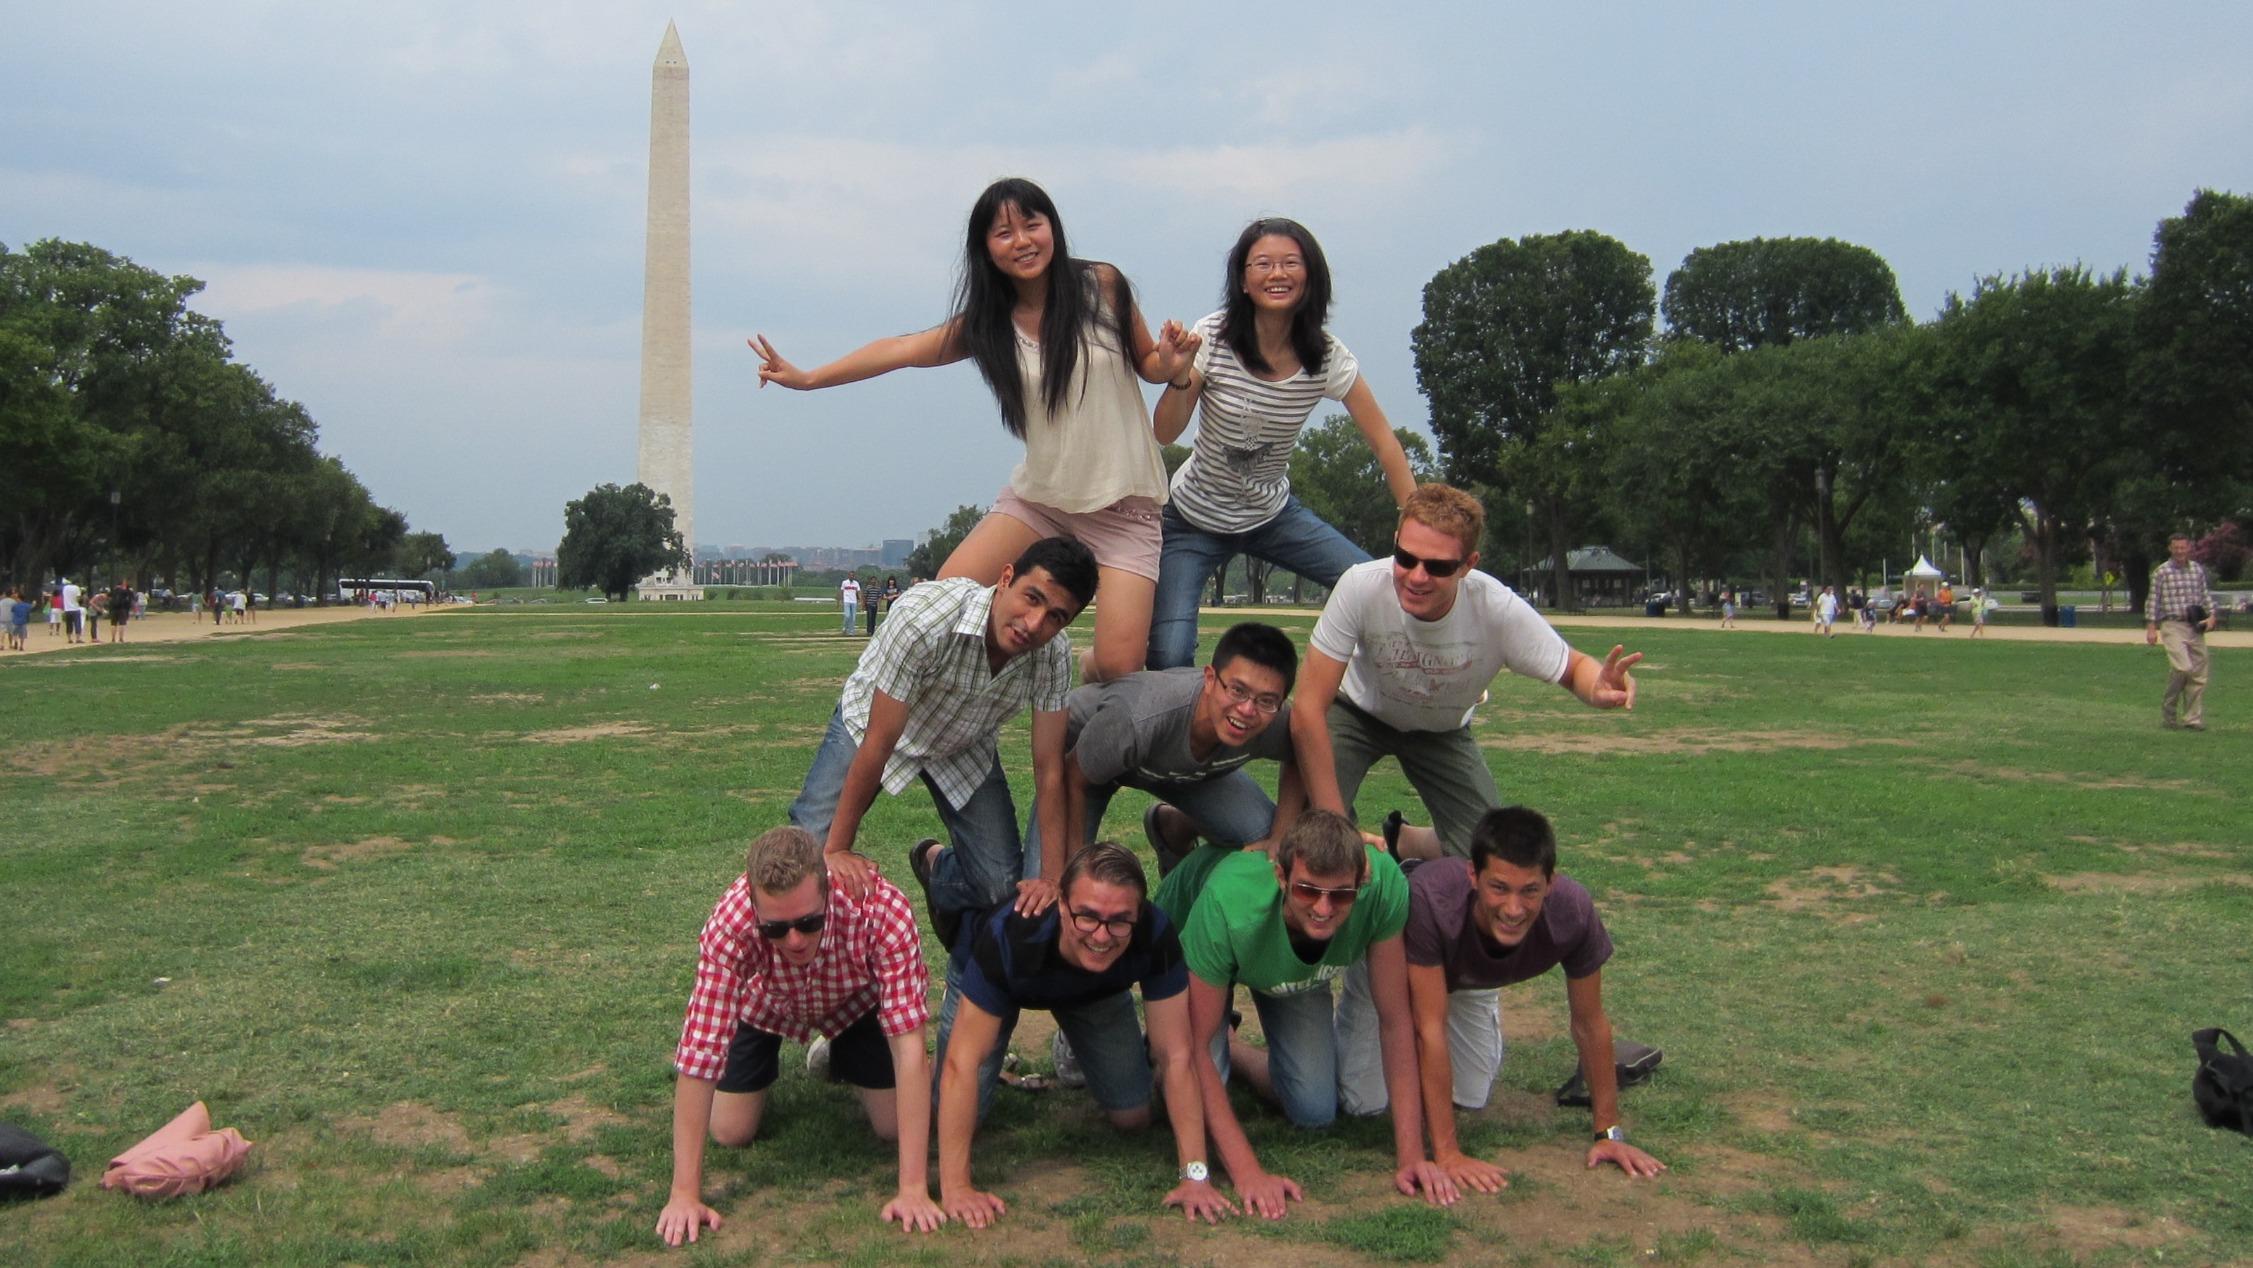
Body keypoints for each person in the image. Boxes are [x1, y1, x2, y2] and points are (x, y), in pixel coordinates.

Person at [753, 177, 1197, 682]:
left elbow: (1150, 365)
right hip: (1043, 501)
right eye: (1004, 233)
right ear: (985, 247)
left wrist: (1173, 361)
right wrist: (809, 378)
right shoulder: (987, 325)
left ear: (1053, 228)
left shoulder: (1102, 286)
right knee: (942, 604)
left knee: (1120, 666)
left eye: (1033, 224)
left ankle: (1080, 676)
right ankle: (964, 703)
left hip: (1125, 506)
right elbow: (899, 351)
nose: (1023, 240)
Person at [1289, 484, 1640, 863]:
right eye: (1405, 558)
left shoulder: (1497, 608)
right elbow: (1308, 707)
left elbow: (1573, 668)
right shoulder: (1361, 585)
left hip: (1441, 730)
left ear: (1468, 564)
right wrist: (1335, 826)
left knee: (1489, 854)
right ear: (1395, 542)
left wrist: (1597, 687)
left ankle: (1404, 843)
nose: (1416, 576)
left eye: (1437, 566)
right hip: (1357, 714)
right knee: (1313, 837)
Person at [1335, 807, 1666, 1192]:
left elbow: (1589, 1022)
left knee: (1471, 1095)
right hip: (1396, 957)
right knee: (1362, 1102)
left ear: (1550, 883)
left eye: (1530, 891)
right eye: (1499, 888)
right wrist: (1448, 1153)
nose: (1513, 909)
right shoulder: (1429, 900)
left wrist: (1608, 1132)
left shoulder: (1573, 910)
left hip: (1470, 976)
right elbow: (1429, 1028)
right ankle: (1404, 852)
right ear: (1473, 876)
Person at [1144, 218, 1417, 671]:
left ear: (1310, 276)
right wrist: (1178, 374)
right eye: (1263, 264)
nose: (1277, 274)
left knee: (1381, 589)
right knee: (1169, 655)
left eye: (1291, 263)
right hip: (1193, 519)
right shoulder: (1213, 336)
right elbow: (1165, 433)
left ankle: (1429, 681)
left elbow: (1385, 443)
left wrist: (1416, 530)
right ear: (1243, 280)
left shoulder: (1326, 356)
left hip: (1273, 515)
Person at [1150, 809, 1452, 1220]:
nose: (1325, 908)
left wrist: (1411, 1156)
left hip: (1282, 963)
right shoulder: (1228, 900)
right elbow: (1197, 1049)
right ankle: (1162, 1050)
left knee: (1314, 1110)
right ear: (1281, 876)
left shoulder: (1383, 884)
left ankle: (1234, 1047)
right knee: (1178, 1078)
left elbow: (1395, 1020)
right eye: (1308, 890)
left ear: (1362, 881)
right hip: (1201, 929)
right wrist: (1248, 1173)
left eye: (1341, 895)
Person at [790, 536, 1096, 939]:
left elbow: (1048, 767)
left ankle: (936, 866)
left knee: (1000, 890)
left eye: (1056, 616)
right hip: (875, 724)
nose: (1034, 624)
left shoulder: (1052, 655)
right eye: (1032, 598)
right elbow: (880, 740)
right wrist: (838, 849)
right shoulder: (924, 617)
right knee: (807, 858)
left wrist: (1052, 878)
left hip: (963, 743)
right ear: (1006, 578)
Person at [659, 826, 942, 1245]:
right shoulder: (729, 924)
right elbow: (700, 1050)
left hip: (854, 1005)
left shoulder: (881, 909)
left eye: (809, 923)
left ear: (827, 890)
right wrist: (684, 1194)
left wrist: (913, 1189)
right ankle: (811, 1062)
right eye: (775, 929)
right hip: (764, 1004)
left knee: (893, 1127)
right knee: (730, 1131)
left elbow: (909, 1046)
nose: (793, 939)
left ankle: (847, 1054)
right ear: (753, 905)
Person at [931, 843, 1235, 1227]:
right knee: (954, 1112)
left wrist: (1195, 1177)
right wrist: (956, 1188)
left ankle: (1073, 1042)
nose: (1102, 935)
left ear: (1139, 916)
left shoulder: (1156, 933)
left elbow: (1176, 1054)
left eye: (1120, 921)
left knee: (1134, 1117)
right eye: (1087, 916)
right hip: (996, 981)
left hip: (1094, 992)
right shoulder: (1010, 936)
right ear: (1061, 906)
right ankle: (940, 862)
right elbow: (963, 1062)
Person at [1051, 621, 1306, 878]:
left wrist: (1280, 835)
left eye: (1266, 700)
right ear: (1209, 679)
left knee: (1262, 832)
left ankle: (1173, 826)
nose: (1247, 710)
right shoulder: (1142, 716)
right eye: (1238, 690)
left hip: (1173, 769)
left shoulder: (1274, 719)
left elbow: (1300, 754)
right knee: (1056, 877)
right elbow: (1074, 777)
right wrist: (1076, 866)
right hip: (1087, 757)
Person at [2146, 531, 2218, 731]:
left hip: (2194, 625)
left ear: (2189, 548)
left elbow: (2205, 595)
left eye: (2183, 547)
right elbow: (2153, 601)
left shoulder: (2196, 570)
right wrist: (2152, 627)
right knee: (2183, 668)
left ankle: (2192, 719)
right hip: (2172, 624)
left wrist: (2212, 616)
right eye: (2176, 547)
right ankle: (2169, 708)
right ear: (2170, 548)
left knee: (2198, 674)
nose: (2179, 551)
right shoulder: (2161, 572)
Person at [60, 577, 83, 644]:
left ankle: (69, 639)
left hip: (67, 609)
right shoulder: (77, 588)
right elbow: (78, 598)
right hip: (75, 608)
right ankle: (78, 638)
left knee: (69, 624)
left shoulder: (65, 588)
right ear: (77, 583)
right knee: (77, 624)